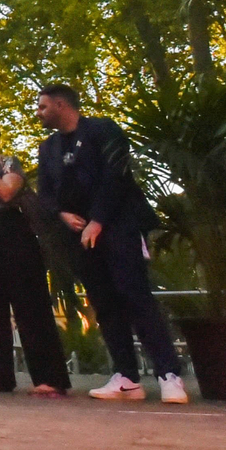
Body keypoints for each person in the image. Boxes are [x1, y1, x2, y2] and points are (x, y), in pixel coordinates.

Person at [35, 84, 188, 404]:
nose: (39, 113)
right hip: (80, 237)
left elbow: (115, 175)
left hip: (120, 226)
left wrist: (98, 220)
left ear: (61, 105)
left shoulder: (104, 130)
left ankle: (169, 375)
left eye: (43, 107)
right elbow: (46, 194)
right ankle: (127, 378)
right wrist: (63, 214)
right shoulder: (47, 148)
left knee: (135, 296)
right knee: (104, 302)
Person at [0, 116, 72, 397]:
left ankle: (49, 378)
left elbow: (7, 192)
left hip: (12, 231)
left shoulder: (9, 163)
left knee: (30, 305)